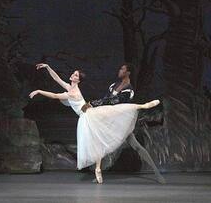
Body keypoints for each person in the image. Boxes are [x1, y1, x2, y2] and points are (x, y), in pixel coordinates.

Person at [29, 63, 160, 184]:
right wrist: (47, 67)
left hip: (89, 115)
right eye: (73, 73)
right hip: (88, 115)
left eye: (75, 75)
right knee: (97, 142)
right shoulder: (70, 88)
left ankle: (143, 106)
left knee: (116, 115)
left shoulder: (73, 92)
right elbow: (57, 79)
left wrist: (39, 91)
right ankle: (98, 169)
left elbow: (55, 96)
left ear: (78, 80)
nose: (73, 75)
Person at [82, 64, 166, 184]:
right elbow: (106, 99)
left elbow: (114, 101)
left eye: (122, 69)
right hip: (110, 119)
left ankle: (157, 173)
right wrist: (94, 105)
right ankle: (98, 172)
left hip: (121, 123)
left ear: (128, 73)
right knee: (99, 142)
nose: (119, 70)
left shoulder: (129, 90)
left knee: (136, 146)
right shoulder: (113, 86)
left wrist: (93, 103)